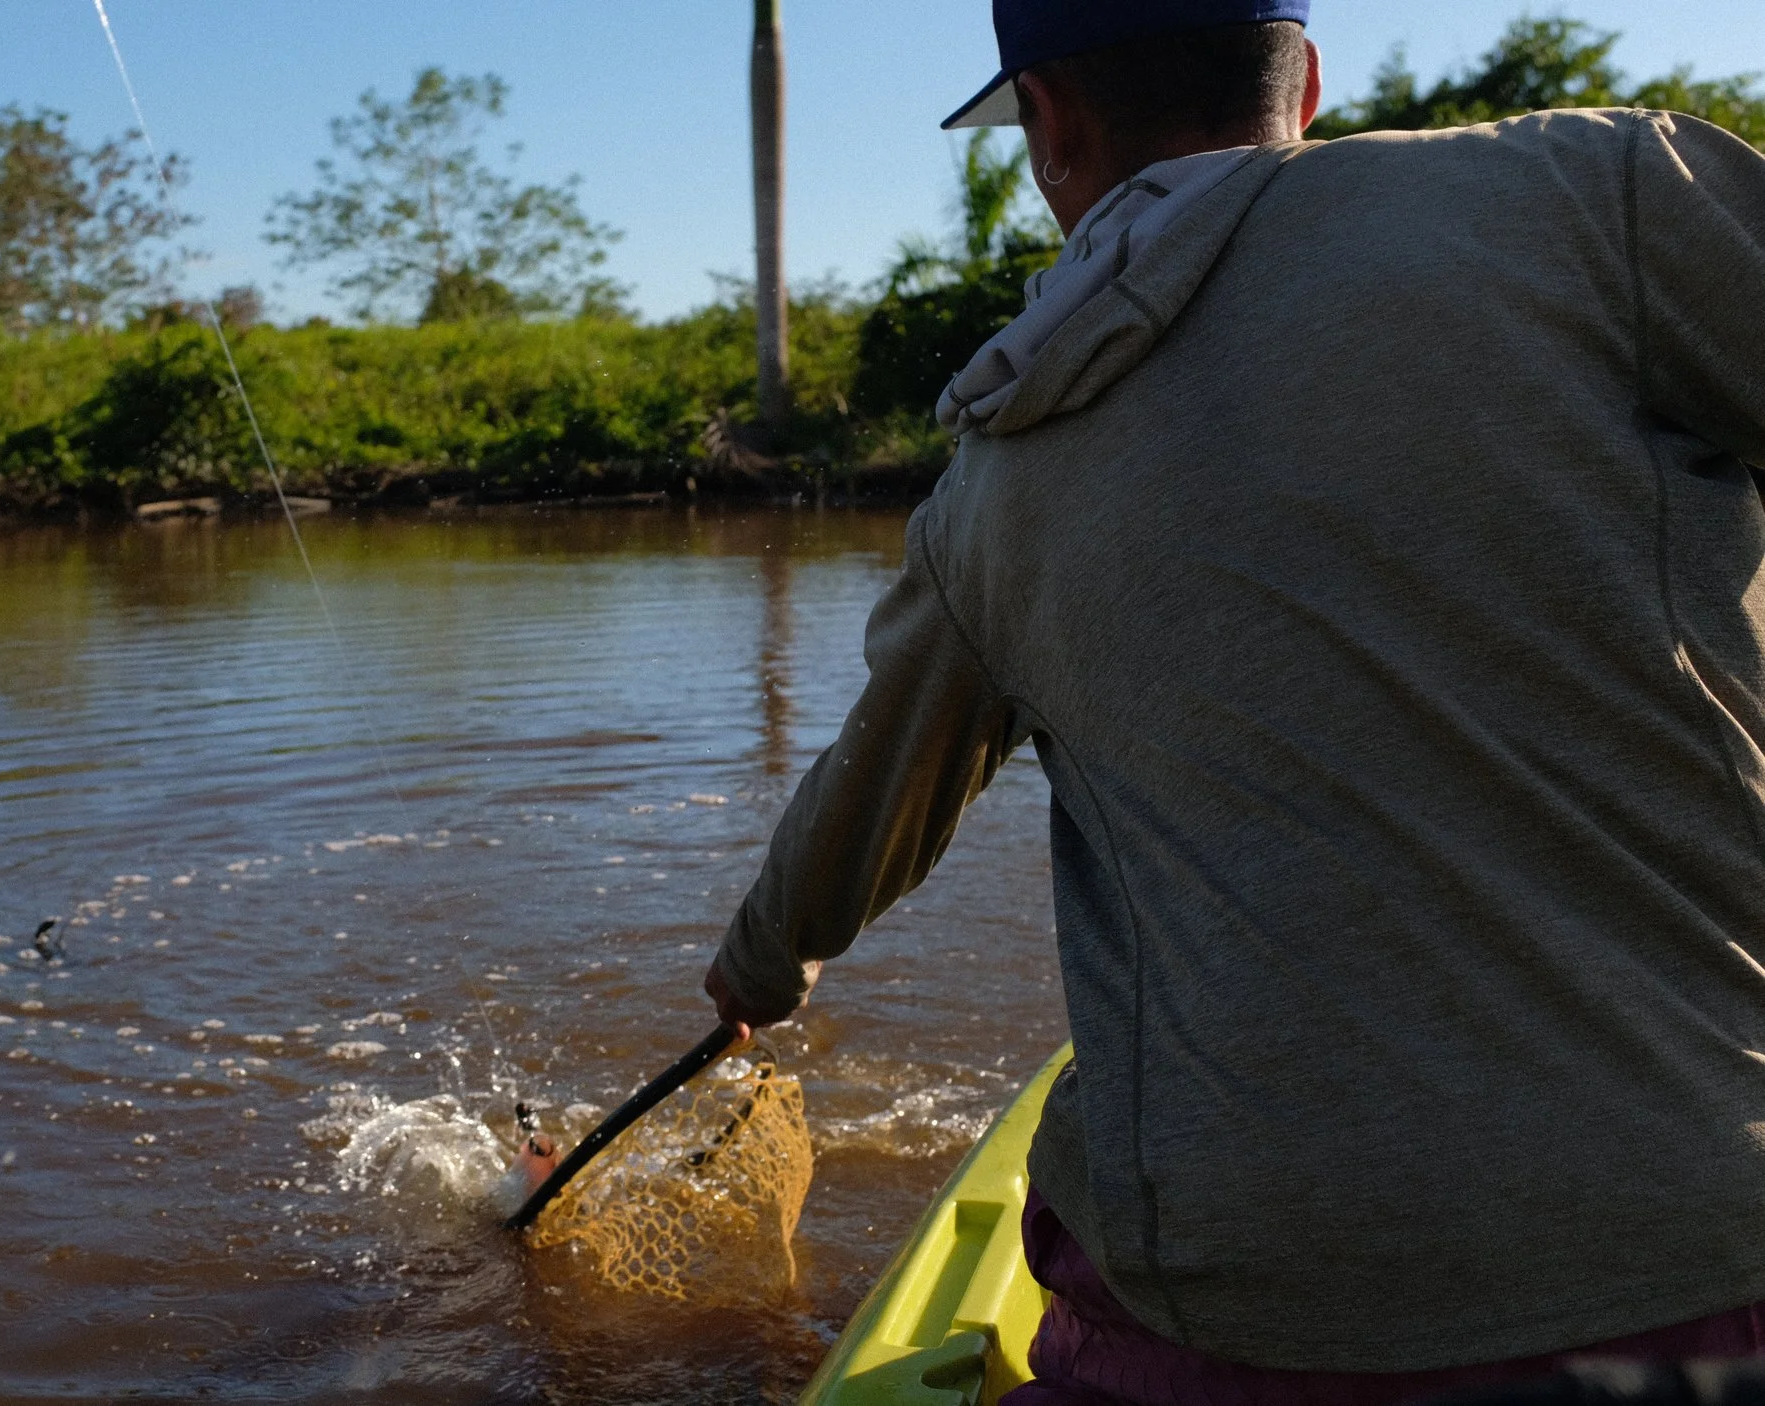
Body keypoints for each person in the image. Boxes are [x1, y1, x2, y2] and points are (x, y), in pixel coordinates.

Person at [700, 0, 1765, 1400]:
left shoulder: (995, 483)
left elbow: (865, 804)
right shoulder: (1612, 195)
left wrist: (755, 973)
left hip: (1239, 1316)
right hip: (1715, 1259)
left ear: (1053, 122)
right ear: (1304, 77)